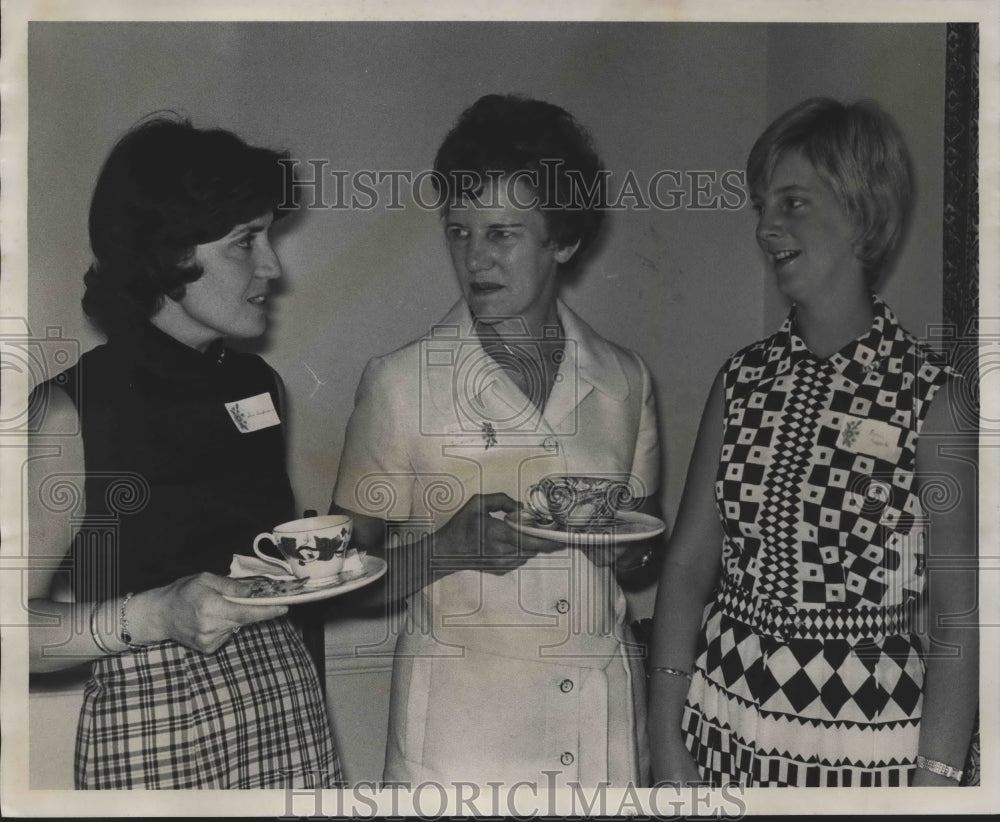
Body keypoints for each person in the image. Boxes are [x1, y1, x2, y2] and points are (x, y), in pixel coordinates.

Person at [331, 94, 665, 786]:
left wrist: (634, 552)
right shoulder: (399, 384)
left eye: (503, 233)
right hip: (462, 742)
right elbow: (339, 582)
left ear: (563, 240)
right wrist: (443, 552)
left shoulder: (625, 378)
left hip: (598, 733)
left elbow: (639, 554)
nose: (475, 258)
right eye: (460, 231)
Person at [646, 97, 978, 787]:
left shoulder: (932, 397)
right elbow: (686, 567)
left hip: (863, 742)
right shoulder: (741, 378)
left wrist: (937, 780)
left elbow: (957, 610)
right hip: (721, 719)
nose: (767, 227)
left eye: (793, 203)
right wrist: (664, 732)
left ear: (863, 216)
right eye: (762, 206)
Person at [27, 116, 343, 789]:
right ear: (170, 255)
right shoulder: (70, 410)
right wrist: (155, 614)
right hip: (154, 719)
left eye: (270, 237)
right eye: (245, 242)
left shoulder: (259, 386)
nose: (273, 268)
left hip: (283, 695)